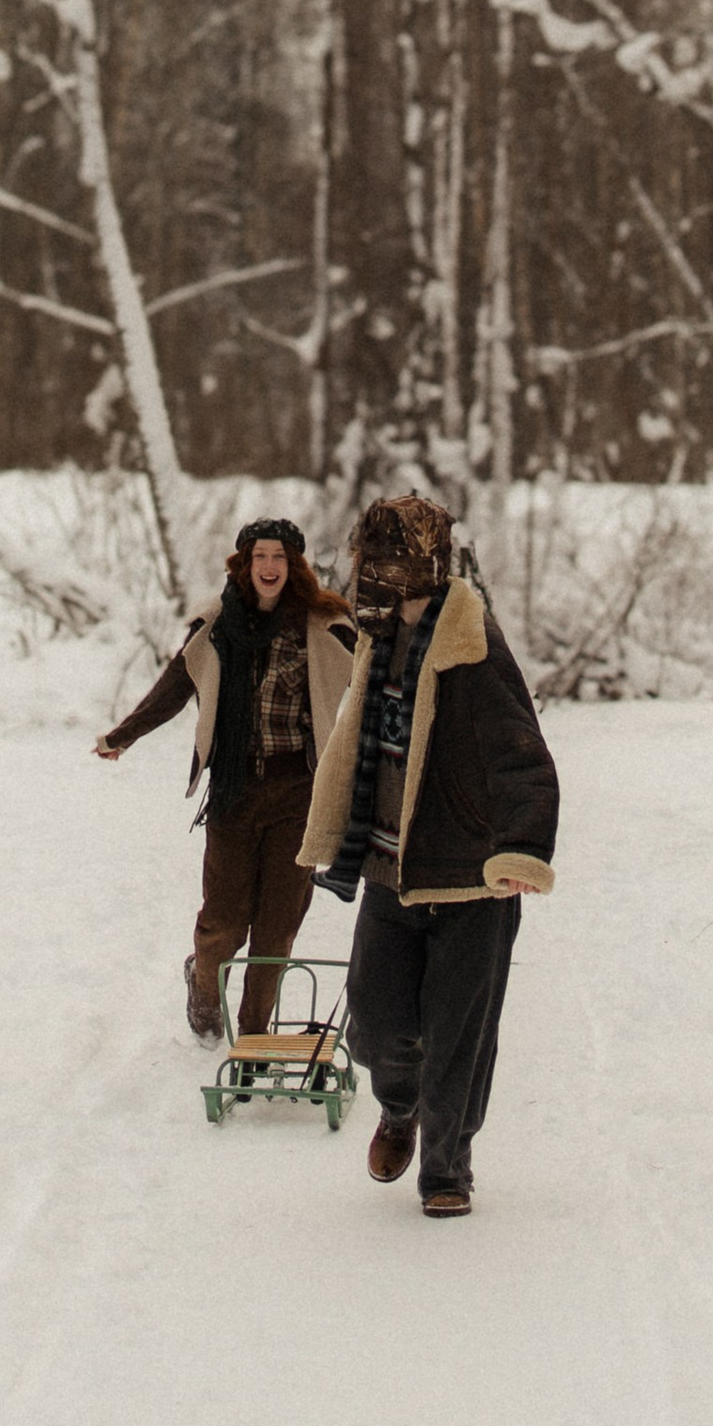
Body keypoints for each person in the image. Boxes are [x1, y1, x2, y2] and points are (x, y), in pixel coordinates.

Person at [299, 493, 557, 1221]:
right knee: (375, 1022)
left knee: (459, 1038)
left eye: (387, 557)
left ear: (425, 563)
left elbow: (523, 756)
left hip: (472, 879)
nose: (372, 569)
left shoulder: (474, 647)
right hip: (390, 869)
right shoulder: (378, 635)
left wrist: (520, 849)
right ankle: (399, 1105)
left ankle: (448, 1165)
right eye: (369, 554)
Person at [96, 517, 356, 1042]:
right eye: (260, 556)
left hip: (298, 794)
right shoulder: (216, 625)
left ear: (294, 566)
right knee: (224, 924)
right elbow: (176, 684)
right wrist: (125, 734)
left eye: (279, 557)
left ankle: (254, 1035)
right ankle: (203, 990)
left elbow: (377, 675)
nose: (269, 567)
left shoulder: (324, 626)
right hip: (235, 792)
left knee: (277, 928)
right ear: (244, 564)